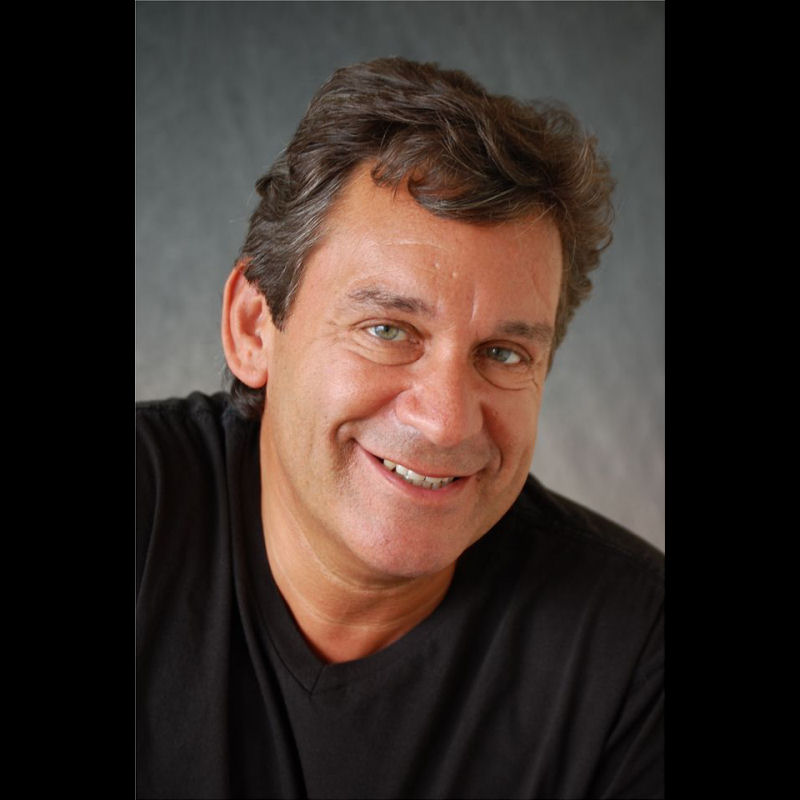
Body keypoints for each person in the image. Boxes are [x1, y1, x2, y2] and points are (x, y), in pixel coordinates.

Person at [136, 57, 664, 799]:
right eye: (388, 329)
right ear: (255, 327)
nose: (445, 421)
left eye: (503, 353)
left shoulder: (635, 650)